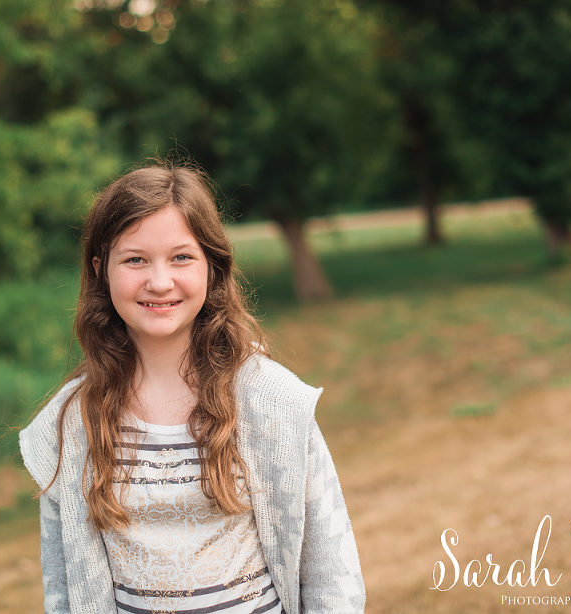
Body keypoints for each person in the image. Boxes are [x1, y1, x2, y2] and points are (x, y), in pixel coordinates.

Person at [19, 159, 365, 614]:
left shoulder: (271, 401)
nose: (160, 282)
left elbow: (332, 573)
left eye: (181, 257)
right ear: (101, 269)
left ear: (211, 266)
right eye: (135, 259)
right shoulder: (68, 426)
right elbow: (63, 592)